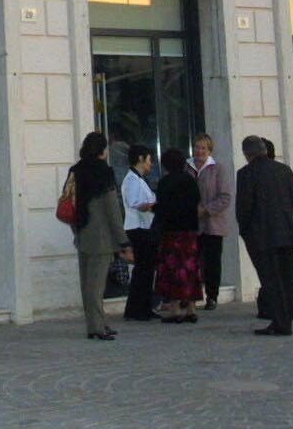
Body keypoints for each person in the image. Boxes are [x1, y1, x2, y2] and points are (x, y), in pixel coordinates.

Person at [234, 135, 293, 337]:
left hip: (261, 235)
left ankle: (280, 321)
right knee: (285, 277)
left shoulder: (246, 174)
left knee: (270, 279)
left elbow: (244, 208)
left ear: (247, 154)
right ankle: (286, 316)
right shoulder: (283, 170)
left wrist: (245, 230)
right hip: (285, 231)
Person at [68, 130, 127, 341]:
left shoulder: (75, 170)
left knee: (86, 283)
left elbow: (70, 202)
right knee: (96, 284)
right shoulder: (104, 172)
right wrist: (122, 239)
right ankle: (96, 326)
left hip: (82, 231)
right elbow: (112, 209)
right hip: (101, 236)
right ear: (102, 151)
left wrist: (76, 228)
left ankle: (95, 323)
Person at [151, 146, 202, 323]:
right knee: (190, 269)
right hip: (189, 230)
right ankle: (191, 308)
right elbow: (196, 201)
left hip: (171, 232)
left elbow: (163, 207)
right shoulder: (190, 180)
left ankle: (175, 309)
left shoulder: (165, 182)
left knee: (172, 269)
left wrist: (153, 208)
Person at [192, 133, 232, 310]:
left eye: (203, 148)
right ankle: (192, 294)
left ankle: (212, 296)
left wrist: (206, 209)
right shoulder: (188, 167)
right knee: (193, 260)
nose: (199, 151)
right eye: (197, 147)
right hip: (193, 223)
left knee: (213, 261)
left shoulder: (217, 169)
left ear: (209, 150)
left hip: (213, 223)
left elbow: (225, 197)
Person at [119, 144, 159, 321]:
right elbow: (137, 203)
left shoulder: (138, 179)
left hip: (142, 227)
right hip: (139, 228)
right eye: (149, 159)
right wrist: (156, 205)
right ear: (141, 159)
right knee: (143, 270)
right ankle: (138, 309)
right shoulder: (132, 180)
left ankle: (142, 307)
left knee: (145, 270)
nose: (151, 164)